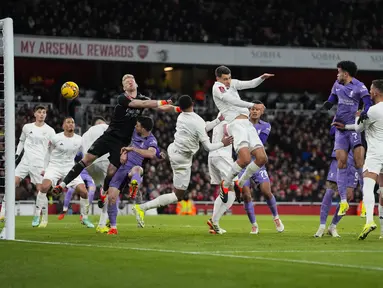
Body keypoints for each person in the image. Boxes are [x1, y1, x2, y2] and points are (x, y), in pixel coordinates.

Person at [53, 74, 177, 196]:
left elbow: (161, 108)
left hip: (122, 143)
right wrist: (164, 101)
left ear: (136, 84)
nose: (130, 82)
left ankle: (104, 190)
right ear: (124, 88)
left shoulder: (143, 98)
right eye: (126, 81)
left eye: (132, 80)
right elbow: (142, 104)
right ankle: (62, 185)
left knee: (111, 172)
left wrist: (177, 109)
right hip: (109, 137)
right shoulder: (122, 98)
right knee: (86, 160)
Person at [132, 95, 233, 227]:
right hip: (182, 160)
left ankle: (143, 207)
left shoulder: (181, 114)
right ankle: (142, 208)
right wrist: (222, 143)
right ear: (193, 103)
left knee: (177, 191)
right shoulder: (196, 120)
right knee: (177, 196)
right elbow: (208, 147)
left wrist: (217, 120)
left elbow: (202, 127)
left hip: (173, 149)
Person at [211, 66, 274, 203]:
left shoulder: (231, 83)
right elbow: (231, 100)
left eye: (229, 78)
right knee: (245, 159)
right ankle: (226, 184)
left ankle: (240, 182)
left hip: (247, 124)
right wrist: (252, 105)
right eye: (225, 79)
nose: (228, 81)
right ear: (218, 79)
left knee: (262, 158)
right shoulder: (217, 88)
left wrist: (261, 78)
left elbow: (250, 83)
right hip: (235, 124)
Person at [322, 61, 371, 216]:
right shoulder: (337, 84)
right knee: (341, 162)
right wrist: (329, 103)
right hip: (340, 128)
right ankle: (343, 201)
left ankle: (365, 201)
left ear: (346, 73)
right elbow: (333, 96)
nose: (337, 75)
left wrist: (365, 111)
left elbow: (368, 102)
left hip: (354, 128)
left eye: (339, 72)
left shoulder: (359, 86)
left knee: (359, 162)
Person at [335, 79, 383, 240]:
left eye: (371, 89)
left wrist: (357, 116)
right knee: (382, 190)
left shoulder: (372, 111)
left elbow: (359, 128)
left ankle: (369, 221)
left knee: (368, 187)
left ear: (375, 92)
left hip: (376, 154)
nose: (369, 92)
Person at [32, 117, 94, 228]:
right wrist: (44, 169)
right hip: (54, 166)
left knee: (84, 192)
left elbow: (85, 156)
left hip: (70, 168)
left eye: (73, 122)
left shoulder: (79, 140)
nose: (71, 124)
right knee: (44, 187)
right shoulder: (55, 138)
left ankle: (85, 218)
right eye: (68, 122)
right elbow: (47, 154)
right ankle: (37, 215)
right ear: (63, 126)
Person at [0, 105, 55, 222]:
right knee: (12, 183)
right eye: (39, 112)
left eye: (44, 112)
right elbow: (21, 142)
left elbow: (52, 149)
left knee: (41, 189)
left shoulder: (50, 131)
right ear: (34, 114)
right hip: (25, 162)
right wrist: (16, 156)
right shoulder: (27, 127)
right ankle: (3, 211)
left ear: (46, 114)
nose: (41, 114)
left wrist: (49, 164)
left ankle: (40, 215)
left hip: (39, 164)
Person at [105, 116, 159, 235]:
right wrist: (124, 152)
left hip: (135, 167)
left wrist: (132, 149)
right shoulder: (134, 132)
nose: (135, 127)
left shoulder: (151, 140)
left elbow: (151, 154)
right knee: (111, 196)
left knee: (137, 170)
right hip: (122, 168)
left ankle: (134, 186)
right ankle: (113, 227)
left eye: (138, 125)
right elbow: (125, 143)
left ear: (144, 128)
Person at [239, 102, 284, 234]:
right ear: (249, 110)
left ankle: (276, 218)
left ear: (262, 112)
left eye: (257, 110)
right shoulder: (241, 124)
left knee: (266, 191)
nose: (254, 111)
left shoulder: (265, 126)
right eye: (252, 109)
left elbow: (258, 145)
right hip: (241, 163)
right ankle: (254, 225)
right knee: (246, 195)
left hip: (257, 163)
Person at [314, 124, 361, 238]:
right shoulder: (342, 112)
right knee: (330, 191)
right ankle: (322, 225)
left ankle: (333, 226)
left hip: (354, 161)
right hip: (340, 158)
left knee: (348, 196)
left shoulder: (364, 115)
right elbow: (332, 129)